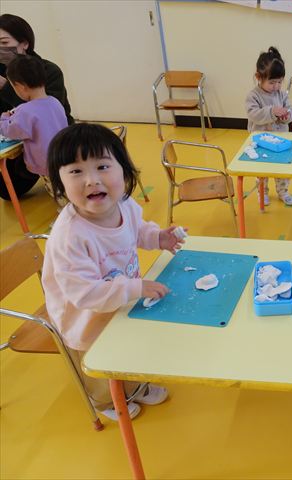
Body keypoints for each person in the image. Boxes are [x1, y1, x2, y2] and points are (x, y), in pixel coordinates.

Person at [42, 123, 187, 421]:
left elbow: (137, 230)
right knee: (99, 360)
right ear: (59, 182)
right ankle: (106, 401)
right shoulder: (71, 236)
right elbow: (84, 294)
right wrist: (135, 288)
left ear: (124, 170)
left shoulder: (124, 205)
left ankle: (135, 386)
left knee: (127, 347)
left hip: (119, 298)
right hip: (83, 316)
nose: (92, 180)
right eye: (76, 171)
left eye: (103, 166)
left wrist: (157, 238)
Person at [0, 55, 67, 200]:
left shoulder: (25, 111)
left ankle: (66, 209)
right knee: (66, 184)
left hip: (45, 162)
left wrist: (4, 118)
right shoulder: (54, 101)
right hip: (64, 154)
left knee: (57, 190)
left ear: (20, 87)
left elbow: (11, 131)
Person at [245, 46, 292, 206]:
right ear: (258, 77)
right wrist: (272, 111)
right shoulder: (253, 96)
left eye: (279, 82)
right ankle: (263, 193)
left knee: (282, 169)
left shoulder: (282, 94)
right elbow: (254, 114)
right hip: (261, 142)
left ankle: (283, 192)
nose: (276, 86)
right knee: (262, 170)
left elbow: (291, 110)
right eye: (272, 82)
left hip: (281, 140)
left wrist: (287, 116)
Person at [0, 13, 73, 125]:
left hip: (54, 132)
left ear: (24, 44)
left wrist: (6, 87)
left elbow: (47, 115)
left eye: (4, 42)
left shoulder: (48, 71)